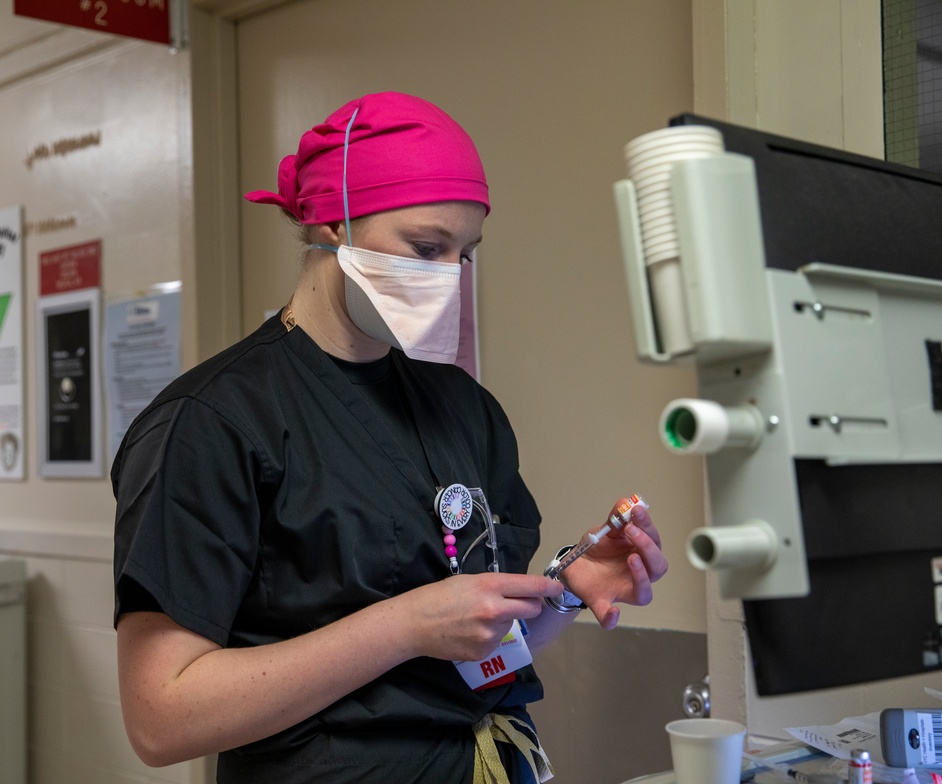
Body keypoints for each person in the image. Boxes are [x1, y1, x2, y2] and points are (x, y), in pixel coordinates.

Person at [112, 91, 668, 784]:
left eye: (465, 254)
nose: (449, 276)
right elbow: (160, 718)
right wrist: (401, 626)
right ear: (333, 224)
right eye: (426, 247)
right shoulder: (213, 423)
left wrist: (567, 590)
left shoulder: (462, 409)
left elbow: (479, 650)